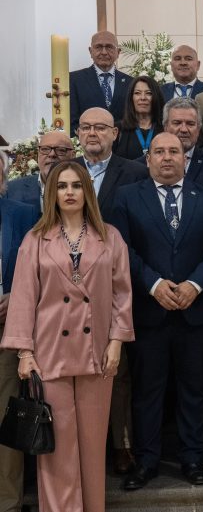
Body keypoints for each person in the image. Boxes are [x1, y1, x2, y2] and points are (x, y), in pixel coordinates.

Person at [2, 161, 134, 512]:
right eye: (62, 186)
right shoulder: (35, 240)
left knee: (92, 445)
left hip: (98, 354)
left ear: (87, 191)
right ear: (52, 193)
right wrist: (25, 353)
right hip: (49, 353)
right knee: (58, 449)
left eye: (76, 185)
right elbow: (24, 298)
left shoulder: (110, 237)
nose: (70, 192)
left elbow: (122, 294)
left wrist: (117, 342)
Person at [111, 132, 203, 491]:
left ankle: (192, 457)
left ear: (184, 157)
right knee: (148, 391)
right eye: (159, 151)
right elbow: (122, 248)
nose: (166, 158)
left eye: (173, 151)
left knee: (195, 389)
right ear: (148, 159)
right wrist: (154, 284)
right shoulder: (127, 196)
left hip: (196, 312)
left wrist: (194, 285)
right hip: (150, 311)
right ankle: (147, 462)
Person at [73, 107, 147, 475]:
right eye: (85, 127)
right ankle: (82, 446)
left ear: (114, 133)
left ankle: (122, 444)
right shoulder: (67, 173)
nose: (92, 134)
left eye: (100, 128)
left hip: (118, 281)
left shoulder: (135, 171)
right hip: (67, 286)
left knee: (117, 369)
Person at [0, 152, 40, 512]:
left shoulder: (24, 213)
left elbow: (36, 271)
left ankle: (8, 502)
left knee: (4, 415)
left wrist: (14, 296)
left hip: (5, 330)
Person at [69, 31, 134, 130]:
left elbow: (132, 119)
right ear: (90, 51)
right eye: (98, 47)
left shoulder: (131, 83)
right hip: (87, 142)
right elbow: (72, 121)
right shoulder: (74, 80)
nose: (104, 52)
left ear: (118, 52)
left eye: (109, 47)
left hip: (122, 142)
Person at [163, 97, 203, 190]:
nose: (184, 129)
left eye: (190, 124)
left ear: (199, 128)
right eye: (177, 123)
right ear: (165, 127)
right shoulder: (145, 166)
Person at [5, 130, 77, 211]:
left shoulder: (84, 190)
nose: (52, 154)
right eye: (45, 149)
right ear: (38, 154)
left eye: (60, 150)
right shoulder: (12, 190)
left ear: (73, 156)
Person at [113, 76, 165, 159]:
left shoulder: (166, 129)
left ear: (156, 97)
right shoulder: (118, 130)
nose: (143, 98)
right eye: (137, 93)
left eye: (149, 93)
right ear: (131, 98)